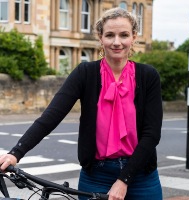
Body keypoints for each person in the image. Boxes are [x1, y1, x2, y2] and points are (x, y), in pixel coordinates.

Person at [0, 7, 163, 200]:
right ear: (100, 38)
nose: (117, 42)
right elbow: (50, 117)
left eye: (124, 35)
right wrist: (15, 153)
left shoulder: (148, 76)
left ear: (134, 37)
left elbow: (151, 134)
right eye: (110, 35)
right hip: (96, 176)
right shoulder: (85, 73)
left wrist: (124, 180)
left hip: (141, 175)